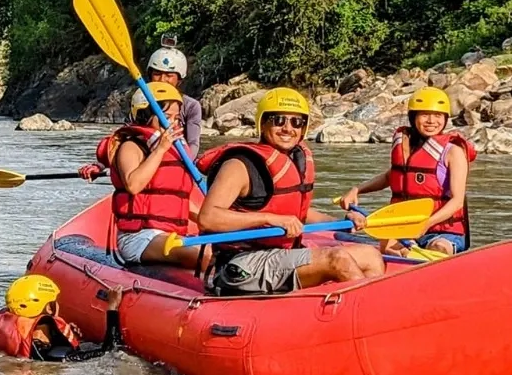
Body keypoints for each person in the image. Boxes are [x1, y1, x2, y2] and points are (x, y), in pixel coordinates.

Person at [196, 88, 386, 295]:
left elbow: (298, 214)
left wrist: (343, 222)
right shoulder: (239, 165)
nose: (288, 128)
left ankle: (361, 308)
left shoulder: (295, 160)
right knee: (337, 258)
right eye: (278, 120)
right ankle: (368, 309)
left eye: (296, 122)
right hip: (243, 264)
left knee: (371, 256)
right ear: (263, 123)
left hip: (283, 256)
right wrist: (269, 218)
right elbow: (208, 218)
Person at [338, 87, 477, 255]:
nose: (431, 121)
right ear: (413, 117)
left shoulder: (453, 152)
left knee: (439, 248)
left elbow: (457, 201)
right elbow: (390, 176)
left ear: (445, 118)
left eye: (438, 115)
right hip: (405, 228)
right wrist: (357, 190)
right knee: (387, 247)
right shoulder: (406, 146)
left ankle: (424, 258)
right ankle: (405, 255)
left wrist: (426, 223)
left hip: (443, 231)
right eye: (424, 115)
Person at [95, 83, 204, 268]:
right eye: (166, 117)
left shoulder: (175, 151)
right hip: (138, 237)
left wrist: (210, 221)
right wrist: (160, 149)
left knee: (217, 251)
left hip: (168, 235)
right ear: (145, 116)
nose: (172, 123)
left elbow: (177, 200)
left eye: (177, 118)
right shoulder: (131, 146)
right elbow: (133, 185)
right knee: (202, 255)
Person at [0, 275, 122, 361]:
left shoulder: (29, 341)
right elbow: (110, 350)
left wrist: (67, 337)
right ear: (49, 308)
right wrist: (112, 308)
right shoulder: (53, 354)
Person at [145, 44, 203, 155]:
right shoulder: (141, 101)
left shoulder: (191, 106)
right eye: (157, 74)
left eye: (169, 75)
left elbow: (193, 143)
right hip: (146, 155)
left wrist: (186, 161)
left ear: (179, 80)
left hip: (177, 157)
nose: (162, 80)